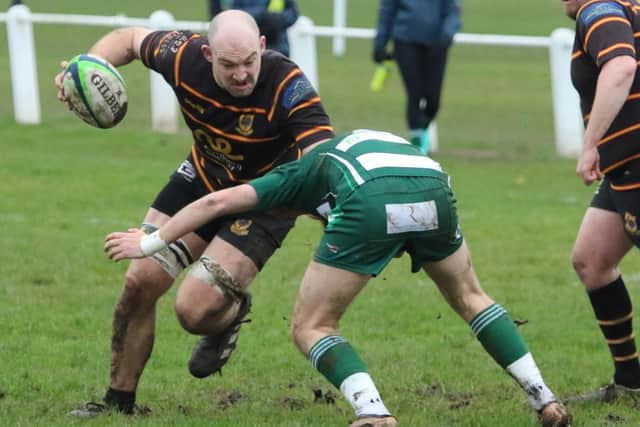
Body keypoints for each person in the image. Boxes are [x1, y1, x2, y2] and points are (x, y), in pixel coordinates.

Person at [104, 129, 571, 427]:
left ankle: (373, 413)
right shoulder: (338, 149)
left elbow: (215, 204)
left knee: (312, 325)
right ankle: (545, 400)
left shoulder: (292, 174)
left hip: (371, 197)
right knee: (471, 297)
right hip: (432, 184)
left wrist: (147, 244)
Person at [55, 10, 334, 417]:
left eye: (248, 62)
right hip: (202, 178)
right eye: (228, 64)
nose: (241, 74)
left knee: (193, 310)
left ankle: (230, 311)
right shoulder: (182, 55)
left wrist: (341, 211)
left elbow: (322, 160)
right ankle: (119, 404)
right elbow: (130, 38)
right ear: (207, 54)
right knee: (139, 282)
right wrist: (87, 69)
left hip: (265, 199)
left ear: (261, 48)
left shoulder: (288, 86)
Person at [560, 0, 640, 403]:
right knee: (592, 259)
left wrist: (590, 144)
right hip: (624, 167)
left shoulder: (599, 10)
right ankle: (630, 382)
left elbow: (622, 67)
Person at [372, 0, 461, 155]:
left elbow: (452, 11)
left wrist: (447, 36)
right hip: (405, 41)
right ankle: (418, 145)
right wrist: (380, 44)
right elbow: (387, 11)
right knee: (415, 93)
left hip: (437, 44)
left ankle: (420, 132)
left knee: (433, 100)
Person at [209, 0, 299, 57]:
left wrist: (277, 20)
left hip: (278, 49)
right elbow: (223, 14)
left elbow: (293, 13)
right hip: (242, 51)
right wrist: (260, 17)